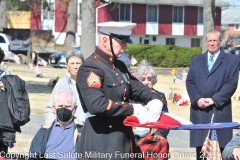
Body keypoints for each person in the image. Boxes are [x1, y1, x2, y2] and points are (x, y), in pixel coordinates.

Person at [76, 21, 165, 159]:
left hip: (124, 141)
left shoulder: (120, 66)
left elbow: (139, 89)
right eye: (121, 41)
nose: (125, 46)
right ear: (105, 40)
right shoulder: (91, 67)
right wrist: (133, 109)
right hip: (102, 142)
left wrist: (156, 100)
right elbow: (97, 105)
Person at [186, 29, 239, 160]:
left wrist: (214, 100)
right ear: (206, 42)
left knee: (220, 152)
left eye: (215, 40)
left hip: (220, 111)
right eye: (209, 40)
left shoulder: (232, 60)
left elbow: (231, 84)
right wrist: (197, 99)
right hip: (200, 112)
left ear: (220, 42)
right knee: (201, 153)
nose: (212, 43)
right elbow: (190, 82)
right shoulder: (196, 60)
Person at [29, 89, 83, 159]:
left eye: (68, 106)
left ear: (75, 108)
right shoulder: (44, 131)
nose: (63, 109)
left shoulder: (83, 130)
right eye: (60, 106)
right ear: (54, 108)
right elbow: (33, 155)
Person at [132, 60, 169, 160]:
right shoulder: (131, 98)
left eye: (149, 78)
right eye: (142, 79)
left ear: (153, 80)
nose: (146, 82)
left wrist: (159, 135)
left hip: (155, 137)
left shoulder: (160, 96)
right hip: (134, 138)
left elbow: (165, 119)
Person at [45, 49, 86, 123]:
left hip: (85, 128)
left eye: (78, 63)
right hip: (64, 127)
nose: (75, 66)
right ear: (67, 65)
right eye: (72, 63)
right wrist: (52, 124)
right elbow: (50, 108)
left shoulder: (90, 83)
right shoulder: (61, 83)